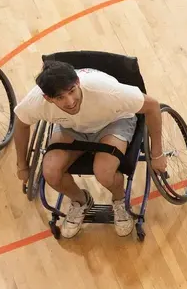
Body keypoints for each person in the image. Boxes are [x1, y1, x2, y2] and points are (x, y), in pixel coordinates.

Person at [12, 59, 167, 238]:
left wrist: (157, 154)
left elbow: (153, 106)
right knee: (51, 172)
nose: (70, 102)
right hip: (71, 128)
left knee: (104, 172)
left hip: (113, 122)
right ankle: (81, 201)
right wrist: (22, 165)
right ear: (48, 98)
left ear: (77, 82)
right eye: (60, 98)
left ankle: (119, 200)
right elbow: (21, 124)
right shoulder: (36, 101)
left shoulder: (107, 90)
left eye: (71, 92)